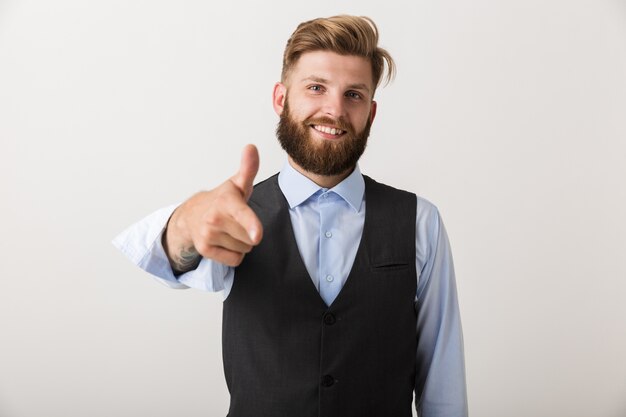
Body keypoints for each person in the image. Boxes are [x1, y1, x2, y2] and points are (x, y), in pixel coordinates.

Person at [113, 15, 468, 417]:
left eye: (354, 94)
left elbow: (443, 383)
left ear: (371, 113)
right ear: (281, 99)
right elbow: (168, 256)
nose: (334, 109)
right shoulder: (234, 215)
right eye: (316, 87)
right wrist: (185, 224)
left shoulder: (420, 221)